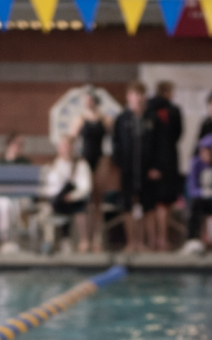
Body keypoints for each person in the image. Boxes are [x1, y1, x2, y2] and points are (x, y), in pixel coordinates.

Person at [69, 90, 112, 252]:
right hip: (84, 162)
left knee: (97, 203)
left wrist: (107, 161)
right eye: (86, 101)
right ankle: (84, 239)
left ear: (96, 102)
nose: (89, 103)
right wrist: (74, 166)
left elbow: (112, 141)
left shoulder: (105, 120)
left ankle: (96, 239)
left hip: (99, 161)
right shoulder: (79, 120)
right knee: (84, 201)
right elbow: (72, 142)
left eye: (91, 100)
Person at [112, 81, 152, 252]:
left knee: (144, 204)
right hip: (127, 169)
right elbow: (115, 143)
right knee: (128, 205)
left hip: (146, 170)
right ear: (129, 97)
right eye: (135, 94)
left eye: (141, 94)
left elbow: (157, 144)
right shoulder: (122, 119)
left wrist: (155, 166)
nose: (139, 98)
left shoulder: (150, 118)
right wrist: (119, 164)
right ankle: (131, 242)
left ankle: (141, 242)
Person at [143, 81, 182, 252]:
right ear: (167, 92)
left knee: (151, 204)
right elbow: (177, 135)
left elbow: (146, 140)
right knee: (164, 204)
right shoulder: (173, 111)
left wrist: (150, 165)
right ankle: (162, 240)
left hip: (150, 163)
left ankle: (152, 241)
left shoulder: (147, 110)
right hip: (167, 162)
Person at [42, 134, 92, 252]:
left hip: (74, 200)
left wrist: (72, 196)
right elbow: (48, 187)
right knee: (46, 210)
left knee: (81, 210)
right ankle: (50, 242)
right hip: (57, 201)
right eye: (61, 145)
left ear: (72, 147)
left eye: (66, 145)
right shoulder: (52, 166)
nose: (64, 148)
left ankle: (83, 242)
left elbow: (86, 187)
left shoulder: (80, 164)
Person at [181, 134, 212, 255]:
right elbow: (192, 188)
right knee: (195, 205)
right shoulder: (196, 163)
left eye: (208, 152)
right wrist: (206, 192)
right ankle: (192, 240)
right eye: (203, 152)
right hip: (200, 199)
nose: (205, 155)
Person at [0, 132, 32, 254]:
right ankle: (6, 239)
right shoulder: (0, 163)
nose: (20, 147)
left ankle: (16, 240)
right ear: (9, 145)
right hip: (3, 198)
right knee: (6, 204)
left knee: (15, 203)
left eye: (22, 144)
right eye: (17, 144)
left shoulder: (25, 163)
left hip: (20, 197)